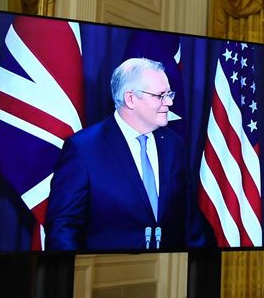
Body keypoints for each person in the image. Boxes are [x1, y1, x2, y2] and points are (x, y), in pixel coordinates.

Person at [46, 58, 206, 251]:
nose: (170, 102)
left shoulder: (174, 144)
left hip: (167, 272)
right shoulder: (83, 149)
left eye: (169, 94)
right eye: (160, 96)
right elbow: (64, 228)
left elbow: (190, 221)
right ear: (130, 99)